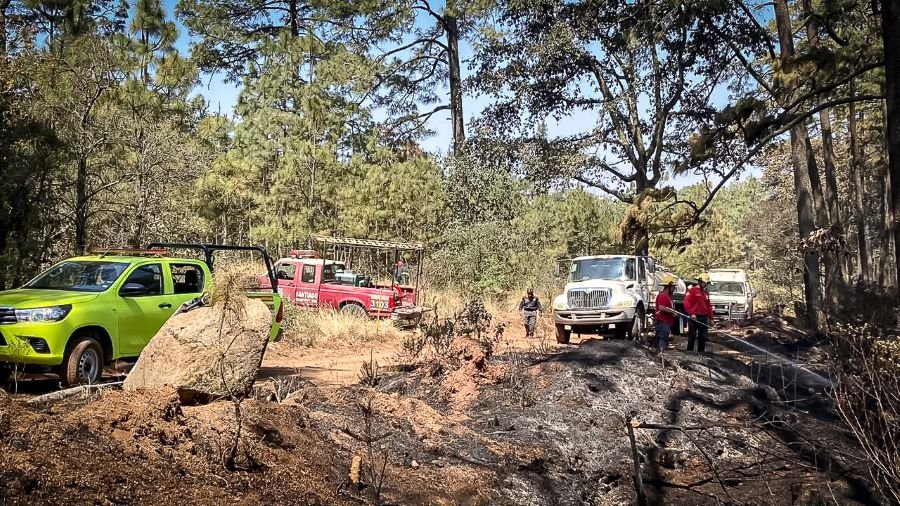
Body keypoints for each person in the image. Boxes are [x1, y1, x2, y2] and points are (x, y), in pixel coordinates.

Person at [683, 273, 714, 352]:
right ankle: (689, 352)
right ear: (701, 282)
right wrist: (692, 313)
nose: (706, 285)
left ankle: (701, 353)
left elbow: (708, 306)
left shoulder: (705, 293)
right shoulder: (692, 291)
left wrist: (711, 318)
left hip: (704, 317)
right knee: (692, 336)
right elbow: (686, 302)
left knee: (703, 337)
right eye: (706, 283)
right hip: (694, 317)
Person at [655, 275, 678, 351]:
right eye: (673, 287)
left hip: (667, 322)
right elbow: (661, 308)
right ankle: (660, 354)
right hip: (663, 322)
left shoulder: (668, 296)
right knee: (663, 339)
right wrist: (672, 312)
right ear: (669, 286)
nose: (674, 289)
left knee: (664, 339)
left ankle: (660, 353)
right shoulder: (662, 296)